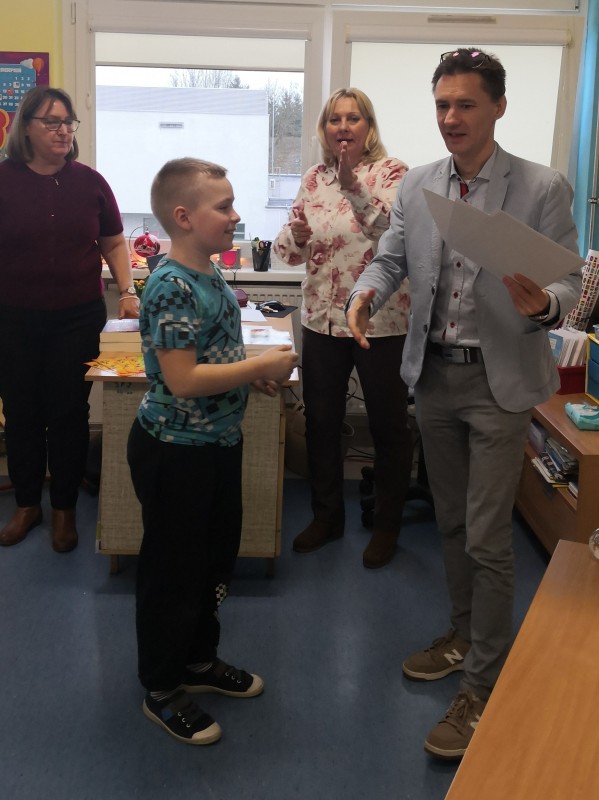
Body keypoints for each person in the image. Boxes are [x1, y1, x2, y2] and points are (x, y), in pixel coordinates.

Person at [347, 48, 581, 758]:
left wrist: (546, 305)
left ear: (498, 108)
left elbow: (568, 280)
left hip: (499, 382)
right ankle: (463, 633)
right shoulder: (419, 183)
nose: (450, 117)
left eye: (466, 104)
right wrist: (365, 292)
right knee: (450, 523)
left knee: (485, 535)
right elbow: (391, 256)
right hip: (434, 377)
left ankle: (483, 681)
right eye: (442, 104)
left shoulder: (541, 186)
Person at [126, 157, 298, 745]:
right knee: (172, 573)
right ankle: (161, 687)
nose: (235, 215)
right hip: (175, 451)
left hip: (218, 443)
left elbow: (211, 357)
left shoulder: (212, 275)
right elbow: (181, 380)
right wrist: (258, 366)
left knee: (211, 562)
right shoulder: (170, 285)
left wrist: (249, 376)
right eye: (223, 206)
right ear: (184, 217)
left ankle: (198, 661)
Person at [273, 88, 412, 569]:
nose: (344, 127)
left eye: (354, 118)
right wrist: (295, 236)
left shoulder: (393, 174)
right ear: (325, 128)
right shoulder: (314, 178)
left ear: (368, 126)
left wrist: (353, 184)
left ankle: (387, 526)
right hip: (321, 319)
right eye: (335, 119)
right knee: (321, 422)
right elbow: (286, 253)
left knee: (388, 426)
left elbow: (392, 234)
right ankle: (327, 517)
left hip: (381, 320)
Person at [0, 86, 138, 553]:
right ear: (27, 128)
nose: (63, 131)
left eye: (68, 122)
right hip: (12, 319)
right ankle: (27, 504)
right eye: (51, 122)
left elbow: (113, 241)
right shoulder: (4, 179)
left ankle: (63, 509)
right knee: (20, 413)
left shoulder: (90, 183)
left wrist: (128, 291)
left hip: (76, 319)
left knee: (68, 413)